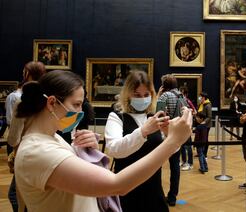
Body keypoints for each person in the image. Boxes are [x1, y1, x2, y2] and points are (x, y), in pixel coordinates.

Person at [13, 70, 192, 212]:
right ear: (52, 103)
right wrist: (173, 141)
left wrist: (87, 151)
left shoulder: (53, 138)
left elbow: (76, 175)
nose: (79, 112)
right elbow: (117, 185)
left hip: (153, 191)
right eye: (76, 105)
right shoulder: (37, 150)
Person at [105, 70, 169, 211]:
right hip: (126, 189)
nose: (142, 99)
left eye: (146, 95)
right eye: (137, 95)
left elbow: (169, 150)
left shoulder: (154, 116)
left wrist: (170, 134)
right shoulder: (117, 116)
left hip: (154, 188)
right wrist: (143, 131)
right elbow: (115, 149)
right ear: (128, 94)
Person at [6, 61, 46, 212]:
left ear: (27, 73)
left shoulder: (20, 99)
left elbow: (14, 138)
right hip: (47, 150)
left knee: (15, 196)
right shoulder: (48, 98)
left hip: (25, 152)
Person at [157, 74, 188, 206]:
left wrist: (158, 95)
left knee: (155, 165)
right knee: (175, 167)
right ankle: (172, 197)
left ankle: (157, 194)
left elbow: (157, 114)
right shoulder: (182, 96)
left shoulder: (164, 96)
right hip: (177, 135)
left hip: (164, 134)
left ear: (164, 85)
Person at [179, 86, 195, 171]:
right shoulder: (180, 102)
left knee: (188, 146)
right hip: (182, 126)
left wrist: (189, 111)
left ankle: (190, 163)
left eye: (181, 92)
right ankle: (184, 161)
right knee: (182, 145)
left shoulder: (187, 101)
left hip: (187, 127)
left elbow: (194, 111)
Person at [197, 91, 212, 158]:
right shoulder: (201, 104)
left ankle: (205, 154)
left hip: (206, 125)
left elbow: (209, 116)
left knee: (205, 139)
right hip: (201, 124)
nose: (199, 98)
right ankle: (200, 152)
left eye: (200, 97)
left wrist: (204, 122)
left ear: (204, 97)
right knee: (200, 139)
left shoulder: (208, 105)